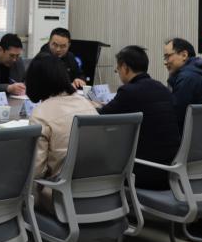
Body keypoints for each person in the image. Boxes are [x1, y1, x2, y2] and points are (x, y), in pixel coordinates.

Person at [99, 45, 181, 190]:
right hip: (171, 171)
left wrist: (91, 105)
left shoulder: (128, 92)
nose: (118, 73)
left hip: (145, 173)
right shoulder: (162, 88)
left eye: (117, 69)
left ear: (125, 67)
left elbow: (100, 118)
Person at [25, 54, 97, 211]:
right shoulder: (86, 103)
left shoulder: (41, 114)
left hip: (62, 198)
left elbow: (36, 171)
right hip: (98, 192)